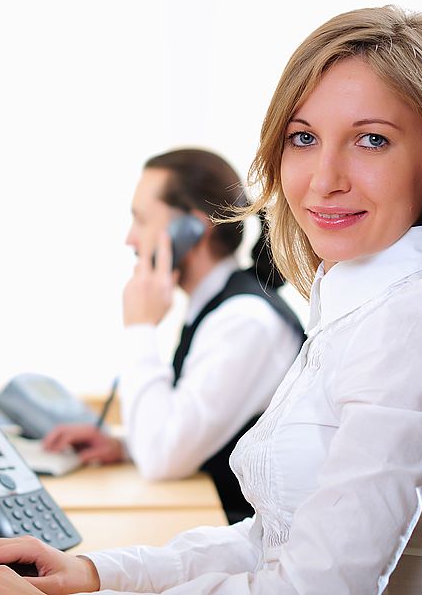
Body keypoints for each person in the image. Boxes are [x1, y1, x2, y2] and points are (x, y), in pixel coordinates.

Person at [0, 5, 422, 595]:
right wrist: (92, 572)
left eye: (371, 139)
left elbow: (313, 589)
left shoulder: (421, 317)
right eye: (302, 139)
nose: (325, 179)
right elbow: (271, 541)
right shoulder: (353, 308)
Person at [43, 148, 305, 523]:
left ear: (193, 228)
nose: (130, 240)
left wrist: (140, 327)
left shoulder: (244, 322)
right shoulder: (218, 309)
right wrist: (124, 445)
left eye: (141, 220)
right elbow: (184, 432)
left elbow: (162, 459)